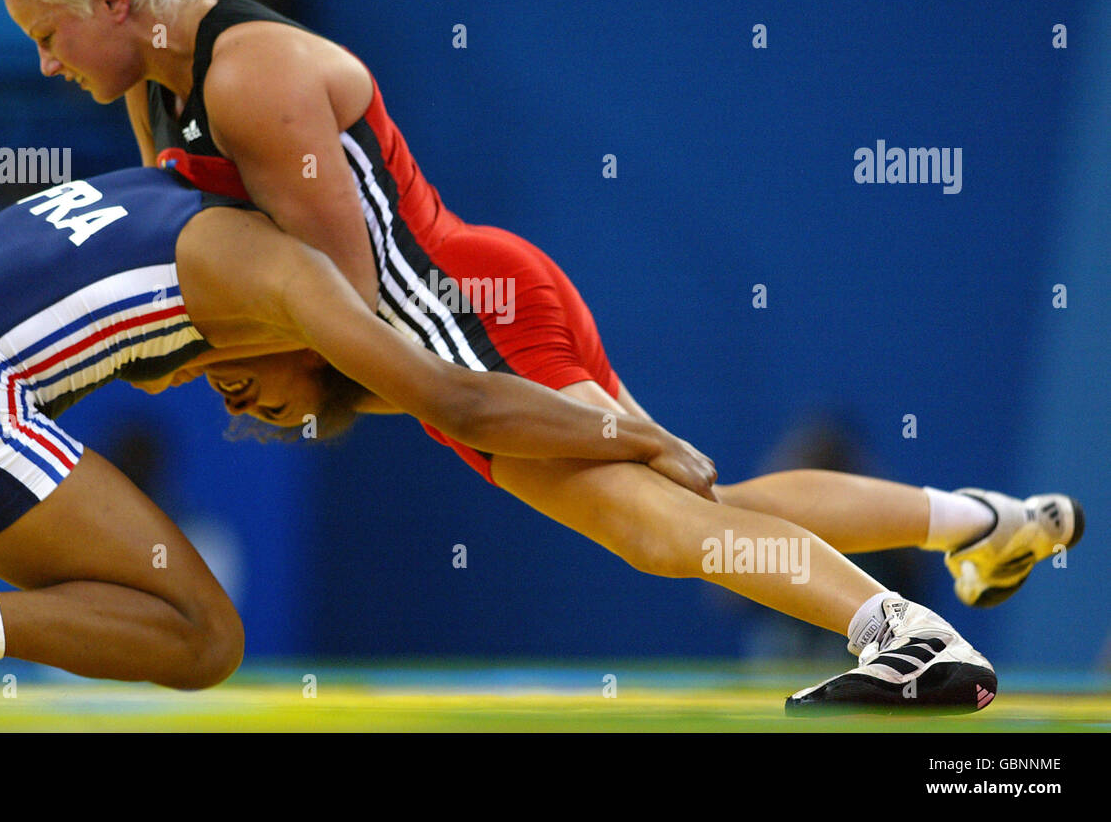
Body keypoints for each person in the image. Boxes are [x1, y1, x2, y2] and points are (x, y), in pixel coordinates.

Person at [137, 161, 1082, 713]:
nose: (239, 412)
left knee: (661, 532)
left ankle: (907, 639)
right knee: (706, 514)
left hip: (478, 309)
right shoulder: (263, 295)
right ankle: (980, 522)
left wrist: (631, 437)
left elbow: (468, 403)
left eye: (233, 381)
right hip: (487, 290)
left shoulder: (260, 260)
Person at [0, 166, 712, 708]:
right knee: (204, 636)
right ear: (317, 348)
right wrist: (633, 434)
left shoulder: (160, 192)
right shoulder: (285, 278)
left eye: (264, 418)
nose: (240, 410)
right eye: (277, 408)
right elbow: (459, 402)